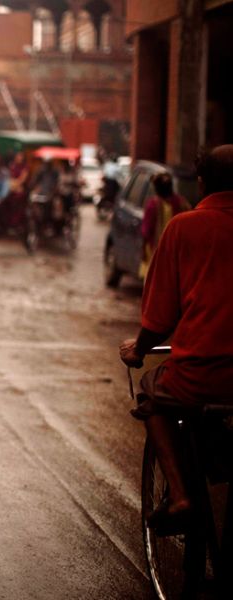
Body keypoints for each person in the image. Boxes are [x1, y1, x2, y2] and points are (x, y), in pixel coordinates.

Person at [119, 145, 233, 536]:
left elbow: (159, 317)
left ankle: (182, 496)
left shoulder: (184, 227)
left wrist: (140, 349)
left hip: (201, 372)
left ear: (201, 182)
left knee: (153, 400)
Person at [139, 172, 191, 277]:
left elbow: (146, 231)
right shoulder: (182, 202)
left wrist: (143, 248)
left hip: (156, 250)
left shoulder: (153, 204)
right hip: (178, 250)